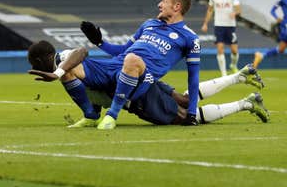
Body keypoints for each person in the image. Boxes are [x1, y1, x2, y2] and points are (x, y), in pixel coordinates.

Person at [25, 0, 200, 129]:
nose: (159, 4)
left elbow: (193, 77)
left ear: (176, 7)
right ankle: (91, 116)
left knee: (133, 60)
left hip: (140, 76)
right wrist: (99, 42)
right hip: (115, 66)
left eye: (164, 1)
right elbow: (123, 50)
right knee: (67, 64)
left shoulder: (190, 38)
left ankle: (112, 115)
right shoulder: (149, 24)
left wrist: (192, 113)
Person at [27, 40, 269, 127]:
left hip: (135, 90)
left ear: (42, 59)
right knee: (186, 100)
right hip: (137, 77)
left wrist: (58, 72)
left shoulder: (64, 64)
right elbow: (90, 90)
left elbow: (81, 51)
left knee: (185, 118)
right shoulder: (67, 68)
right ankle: (240, 76)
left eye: (35, 64)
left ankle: (246, 104)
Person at [201, 0, 241, 75]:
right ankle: (224, 74)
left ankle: (233, 65)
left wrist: (234, 13)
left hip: (230, 25)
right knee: (220, 48)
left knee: (234, 50)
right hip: (219, 25)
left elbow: (239, 9)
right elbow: (210, 10)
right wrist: (205, 23)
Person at [253, 0, 287, 68]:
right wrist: (277, 18)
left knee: (281, 49)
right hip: (286, 25)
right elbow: (272, 10)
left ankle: (261, 55)